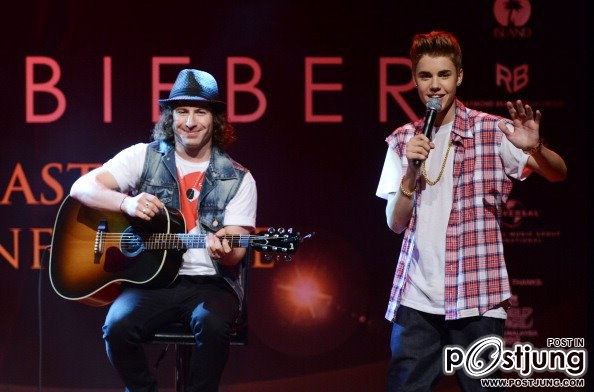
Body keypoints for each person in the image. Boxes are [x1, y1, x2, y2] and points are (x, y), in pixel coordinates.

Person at [375, 31, 567, 391]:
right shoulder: (403, 141)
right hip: (417, 300)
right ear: (415, 80)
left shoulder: (492, 131)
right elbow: (395, 223)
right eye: (426, 76)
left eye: (444, 75)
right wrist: (411, 173)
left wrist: (536, 148)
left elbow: (558, 173)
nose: (435, 86)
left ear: (459, 76)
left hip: (478, 298)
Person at [70, 68, 257, 392]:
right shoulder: (143, 156)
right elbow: (81, 188)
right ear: (171, 117)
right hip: (152, 282)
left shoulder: (239, 178)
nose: (190, 121)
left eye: (200, 111)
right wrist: (125, 204)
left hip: (211, 284)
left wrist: (225, 249)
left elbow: (236, 251)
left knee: (211, 325)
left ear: (215, 119)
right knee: (116, 326)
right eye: (182, 111)